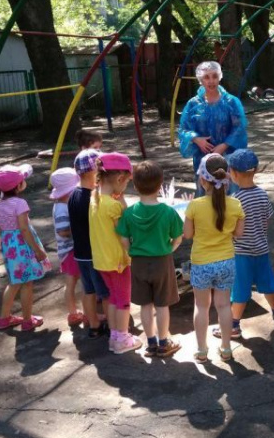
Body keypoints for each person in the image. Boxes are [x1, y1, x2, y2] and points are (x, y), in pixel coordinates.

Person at [212, 149, 274, 340]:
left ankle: (234, 325)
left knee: (240, 289)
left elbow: (232, 228)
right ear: (255, 171)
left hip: (241, 253)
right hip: (261, 249)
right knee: (268, 284)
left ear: (233, 173)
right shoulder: (262, 194)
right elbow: (267, 219)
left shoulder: (235, 201)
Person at [117, 160, 184, 359]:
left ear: (135, 185)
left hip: (138, 262)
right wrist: (169, 248)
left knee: (145, 305)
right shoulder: (168, 212)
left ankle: (151, 342)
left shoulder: (129, 213)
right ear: (160, 184)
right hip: (162, 261)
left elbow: (122, 237)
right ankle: (164, 342)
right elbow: (178, 237)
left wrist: (131, 251)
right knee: (162, 305)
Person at [183, 153, 245, 363]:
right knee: (224, 306)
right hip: (226, 261)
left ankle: (202, 351)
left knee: (201, 307)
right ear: (227, 178)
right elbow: (238, 234)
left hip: (201, 263)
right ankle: (226, 348)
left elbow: (188, 235)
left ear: (202, 179)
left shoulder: (194, 206)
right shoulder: (236, 205)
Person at [89, 152, 141, 355]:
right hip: (118, 261)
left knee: (111, 298)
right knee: (124, 301)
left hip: (102, 261)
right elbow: (126, 230)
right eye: (126, 182)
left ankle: (115, 336)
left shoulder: (96, 200)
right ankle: (122, 339)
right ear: (120, 178)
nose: (126, 186)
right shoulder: (113, 205)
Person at [177, 61, 248, 195]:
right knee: (204, 194)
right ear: (200, 79)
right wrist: (196, 139)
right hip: (202, 158)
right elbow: (183, 129)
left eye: (214, 76)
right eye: (206, 77)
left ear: (220, 77)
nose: (211, 81)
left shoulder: (231, 102)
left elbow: (239, 128)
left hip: (227, 156)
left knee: (229, 192)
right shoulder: (193, 104)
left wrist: (224, 145)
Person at [0, 164, 48, 331]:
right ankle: (27, 320)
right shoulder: (20, 203)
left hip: (9, 244)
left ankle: (4, 318)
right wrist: (38, 250)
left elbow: (3, 228)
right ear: (18, 186)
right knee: (27, 283)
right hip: (22, 245)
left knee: (14, 282)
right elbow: (24, 228)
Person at [68, 149, 109, 338]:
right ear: (94, 171)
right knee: (105, 292)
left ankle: (93, 325)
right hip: (95, 254)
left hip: (80, 253)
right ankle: (112, 325)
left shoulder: (73, 195)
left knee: (88, 291)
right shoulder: (92, 199)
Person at [49, 167, 86, 328]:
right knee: (78, 281)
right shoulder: (62, 209)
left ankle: (76, 312)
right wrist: (79, 228)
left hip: (70, 250)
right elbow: (64, 231)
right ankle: (77, 312)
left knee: (75, 281)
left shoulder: (64, 205)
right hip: (70, 251)